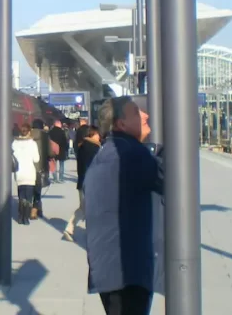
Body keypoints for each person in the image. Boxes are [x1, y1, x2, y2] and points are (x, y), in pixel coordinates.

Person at [85, 97, 162, 315]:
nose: (146, 116)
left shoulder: (111, 150)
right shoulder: (131, 153)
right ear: (121, 124)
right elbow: (173, 181)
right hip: (127, 271)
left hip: (109, 268)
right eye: (137, 113)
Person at [63, 124, 101, 242]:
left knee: (84, 208)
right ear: (93, 134)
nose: (100, 137)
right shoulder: (95, 149)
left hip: (82, 182)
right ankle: (76, 229)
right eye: (98, 134)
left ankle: (71, 228)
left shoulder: (82, 147)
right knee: (92, 209)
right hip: (92, 183)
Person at [11, 122, 40, 224]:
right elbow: (36, 159)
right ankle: (26, 218)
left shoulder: (14, 143)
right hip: (30, 173)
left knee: (21, 195)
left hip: (19, 173)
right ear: (29, 132)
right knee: (28, 197)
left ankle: (20, 216)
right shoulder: (32, 143)